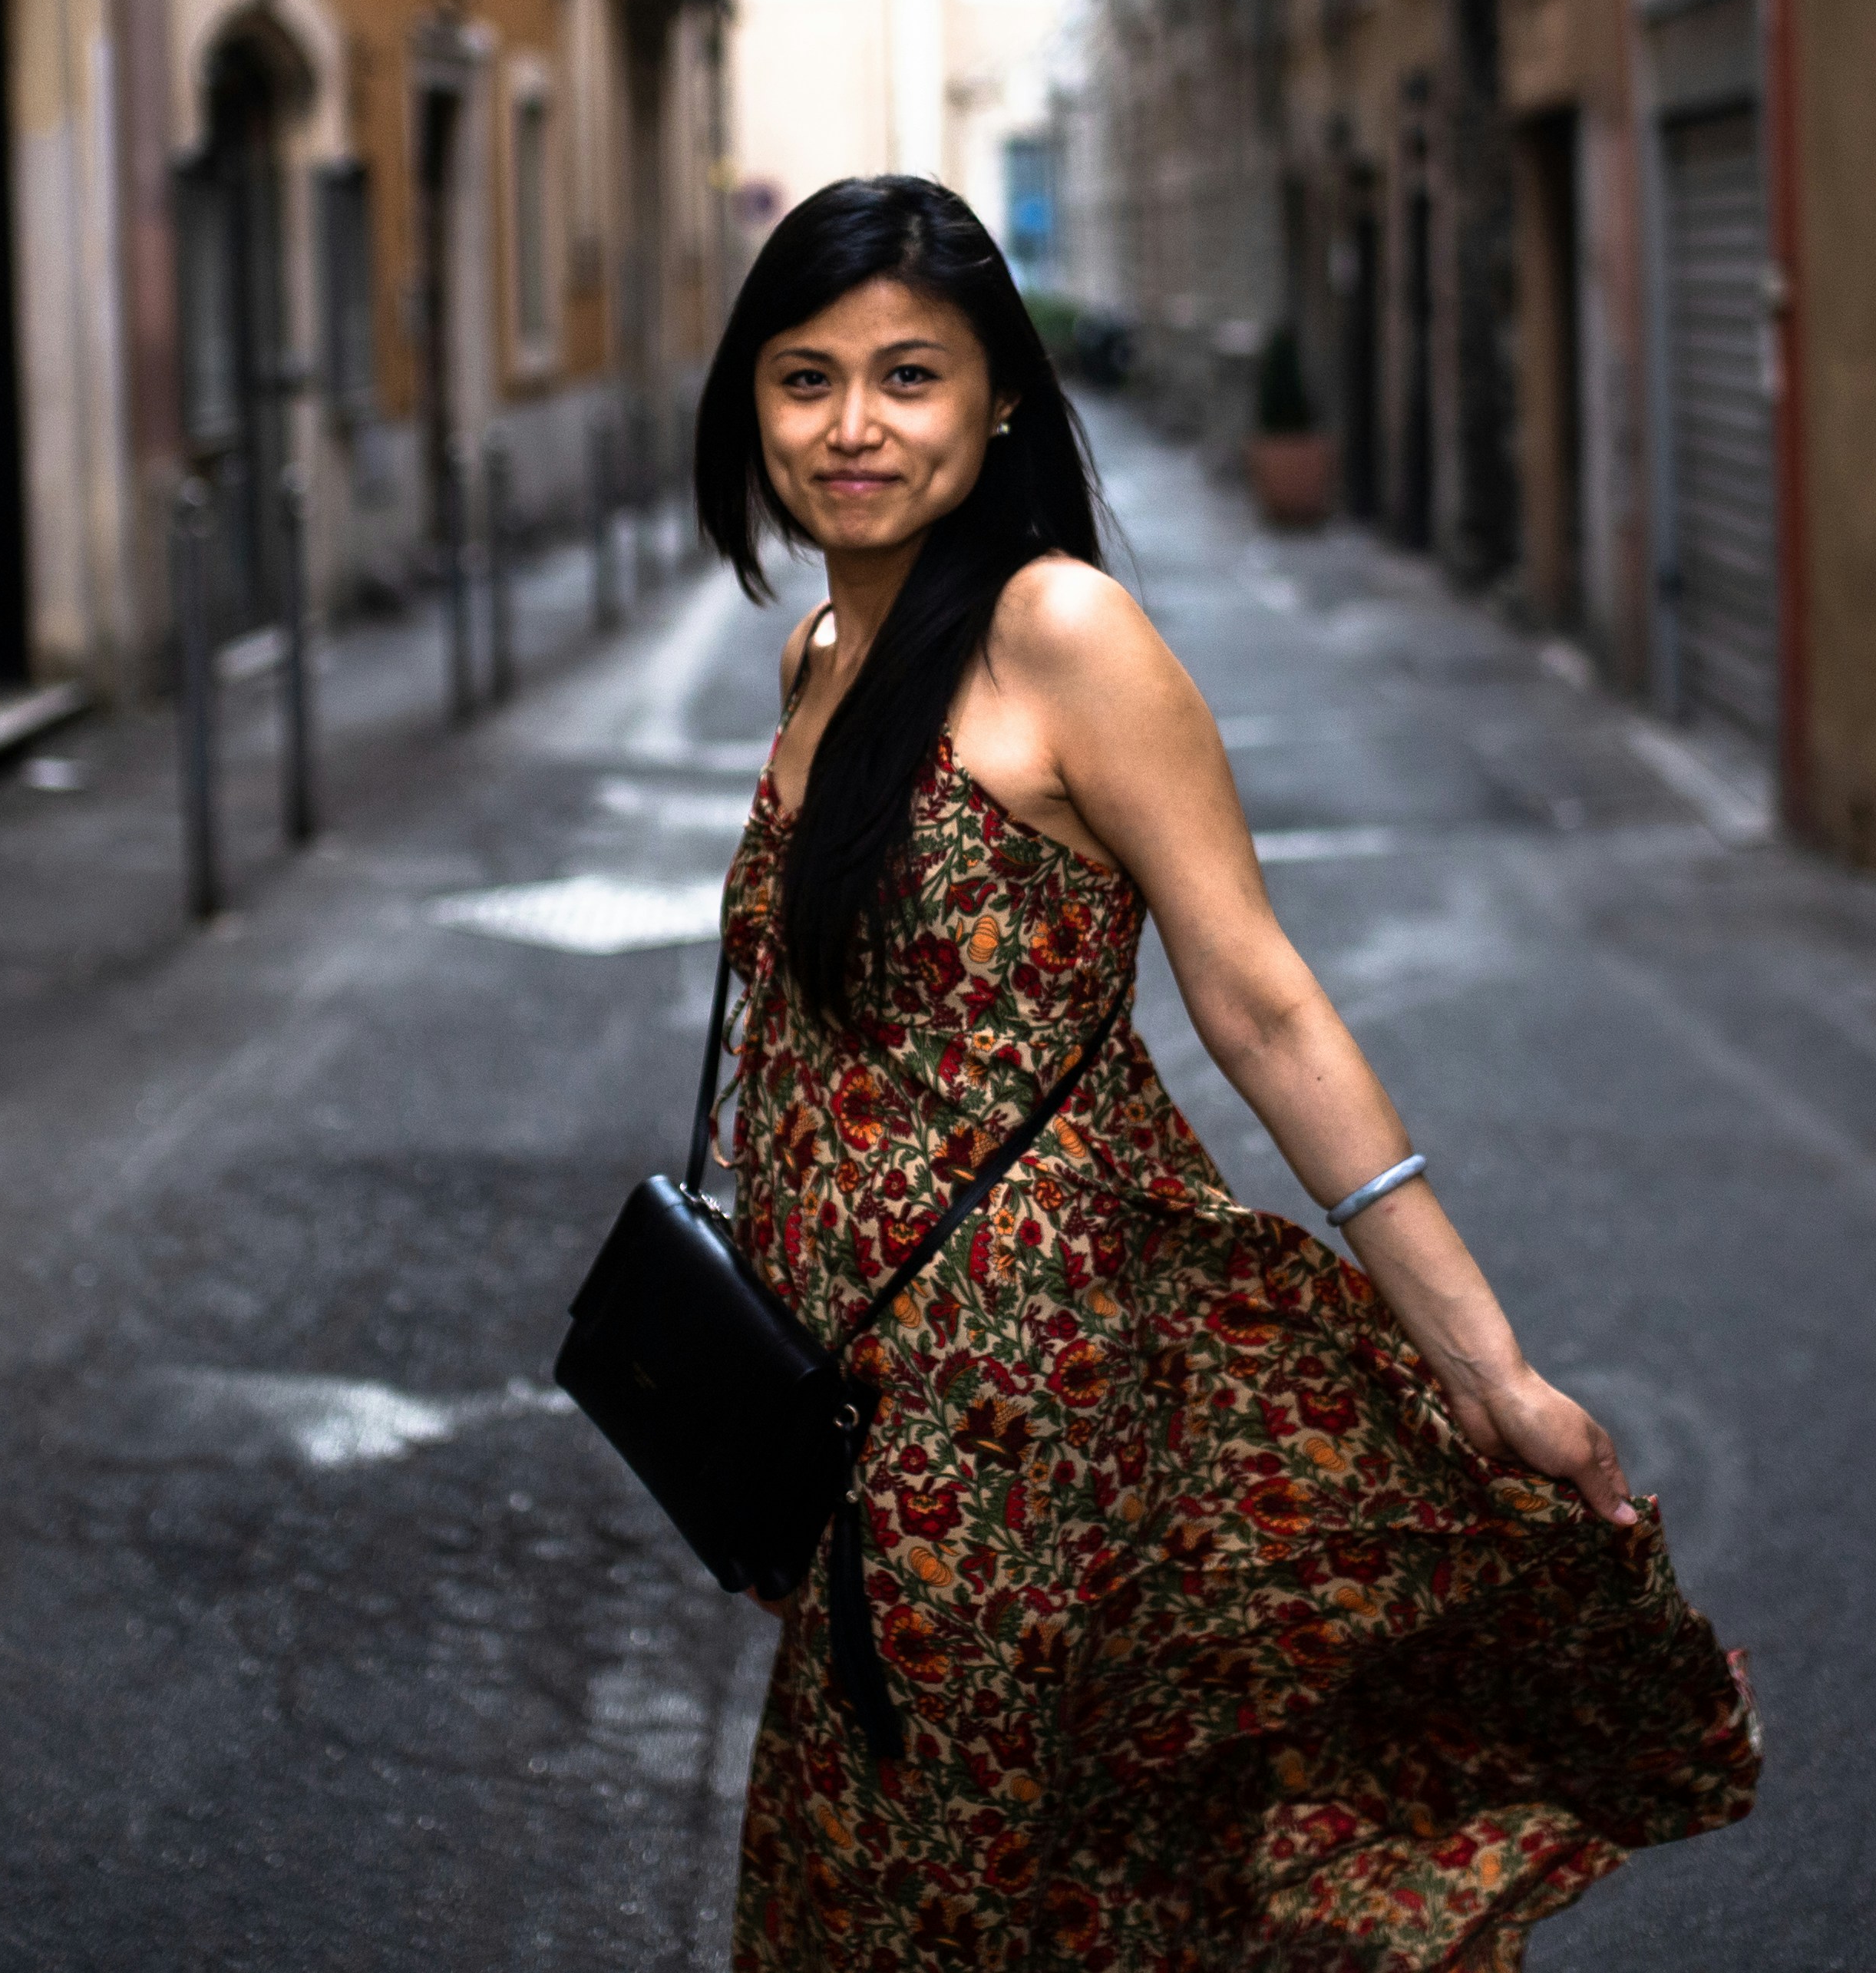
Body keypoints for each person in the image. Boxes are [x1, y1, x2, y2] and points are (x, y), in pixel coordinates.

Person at [695, 176, 1759, 1969]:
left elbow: (1259, 1001)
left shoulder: (1061, 635)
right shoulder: (821, 649)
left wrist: (1484, 1364)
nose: (853, 426)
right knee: (933, 1864)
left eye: (907, 376)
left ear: (1000, 397)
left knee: (946, 1875)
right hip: (853, 1409)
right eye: (805, 379)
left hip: (1022, 1408)